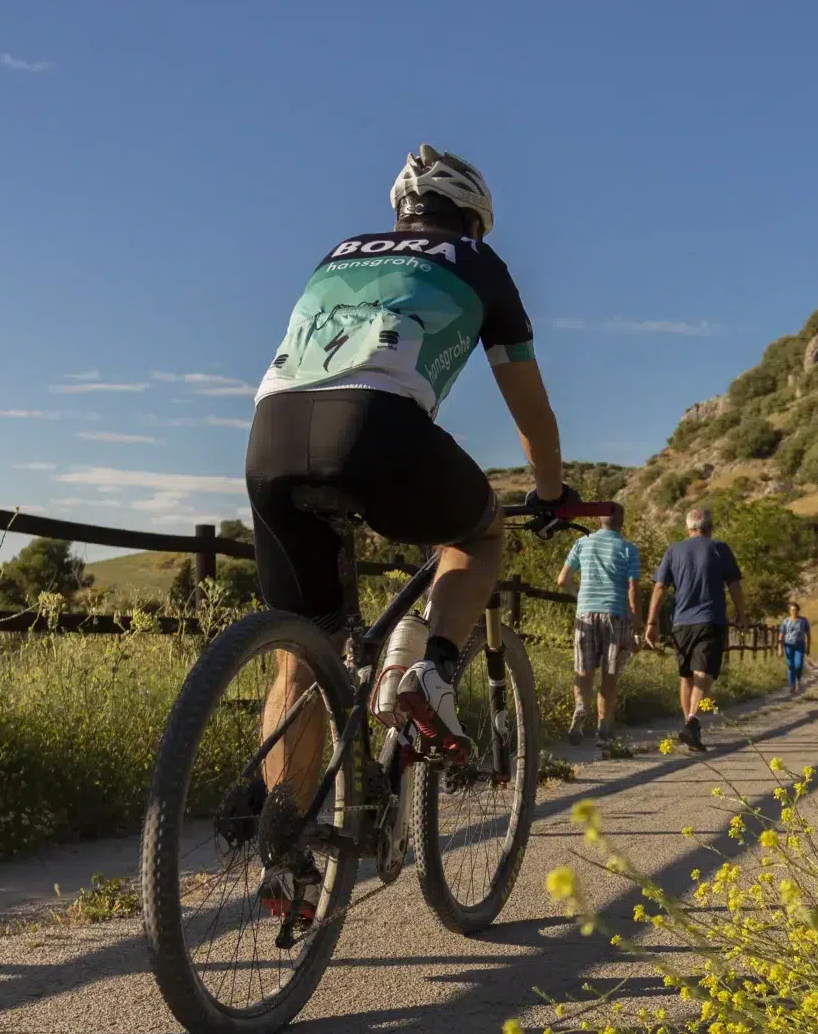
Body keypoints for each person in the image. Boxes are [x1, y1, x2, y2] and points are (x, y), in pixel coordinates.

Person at [240, 146, 567, 913]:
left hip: (271, 437)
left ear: (400, 212)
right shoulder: (477, 261)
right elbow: (532, 411)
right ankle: (429, 671)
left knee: (303, 655)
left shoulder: (339, 252)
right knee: (477, 535)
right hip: (375, 427)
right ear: (474, 218)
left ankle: (284, 850)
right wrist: (552, 492)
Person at [641, 506, 744, 752]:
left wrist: (651, 622)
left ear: (687, 528)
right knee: (703, 673)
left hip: (680, 623)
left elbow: (659, 587)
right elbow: (734, 585)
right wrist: (742, 613)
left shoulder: (673, 550)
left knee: (686, 675)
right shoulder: (720, 548)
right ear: (710, 528)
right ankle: (692, 722)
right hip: (710, 619)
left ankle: (690, 731)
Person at [556, 500, 639, 749]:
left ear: (598, 520)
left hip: (585, 612)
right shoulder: (628, 549)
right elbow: (632, 588)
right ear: (622, 522)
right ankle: (603, 730)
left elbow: (562, 579)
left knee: (583, 670)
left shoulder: (582, 543)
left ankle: (581, 706)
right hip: (615, 612)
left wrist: (579, 595)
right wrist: (637, 620)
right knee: (609, 675)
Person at [779, 598, 810, 693]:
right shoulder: (785, 621)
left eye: (795, 610)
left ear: (798, 610)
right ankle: (791, 684)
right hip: (788, 645)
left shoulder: (803, 621)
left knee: (798, 664)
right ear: (789, 611)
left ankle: (798, 680)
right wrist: (779, 649)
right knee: (790, 665)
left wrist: (808, 647)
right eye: (792, 610)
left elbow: (808, 634)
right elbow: (781, 635)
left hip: (800, 645)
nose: (794, 612)